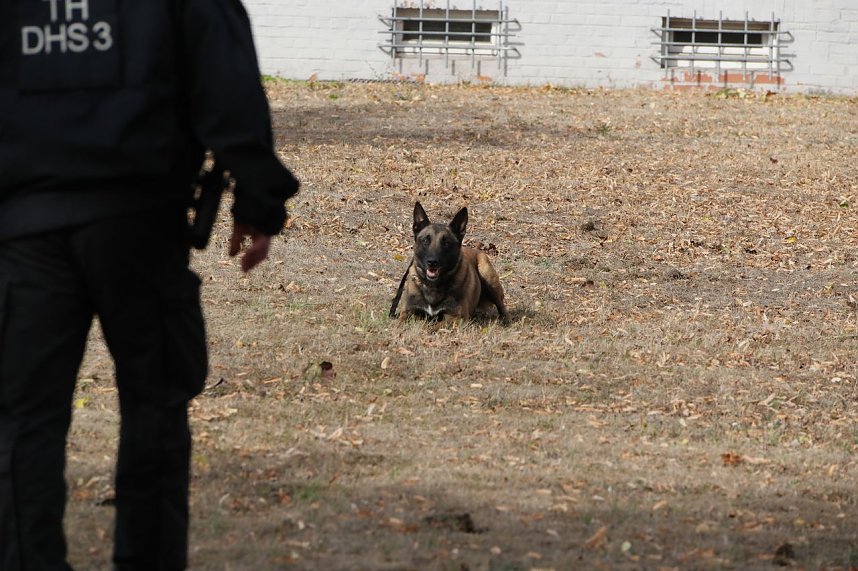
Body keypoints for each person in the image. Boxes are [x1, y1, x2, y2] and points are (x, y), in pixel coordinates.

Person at [0, 1, 299, 569]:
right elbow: (226, 80)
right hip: (137, 219)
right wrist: (258, 197)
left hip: (30, 226)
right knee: (155, 412)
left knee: (22, 423)